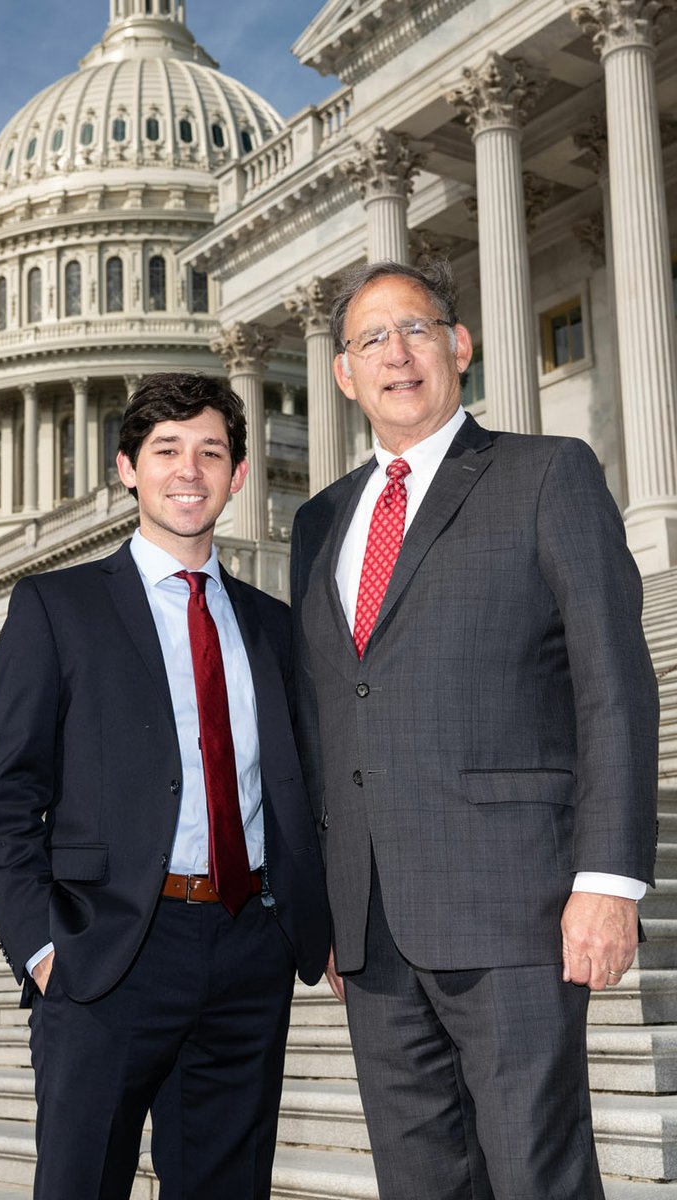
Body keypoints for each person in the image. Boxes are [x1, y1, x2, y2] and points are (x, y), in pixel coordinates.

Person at [289, 259, 659, 1200]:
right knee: (418, 1181)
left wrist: (608, 881)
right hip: (369, 926)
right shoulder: (319, 520)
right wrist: (321, 901)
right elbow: (326, 713)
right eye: (371, 340)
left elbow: (614, 685)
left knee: (536, 1171)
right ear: (343, 375)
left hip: (515, 907)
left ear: (460, 345)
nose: (396, 355)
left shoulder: (547, 474)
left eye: (415, 329)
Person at [0, 371, 329, 1200]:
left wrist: (308, 922)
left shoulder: (272, 624)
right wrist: (41, 947)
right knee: (80, 1183)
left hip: (249, 944)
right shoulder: (57, 607)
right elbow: (9, 799)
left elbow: (298, 785)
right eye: (166, 450)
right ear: (128, 467)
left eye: (211, 452)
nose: (189, 471)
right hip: (108, 949)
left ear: (238, 476)